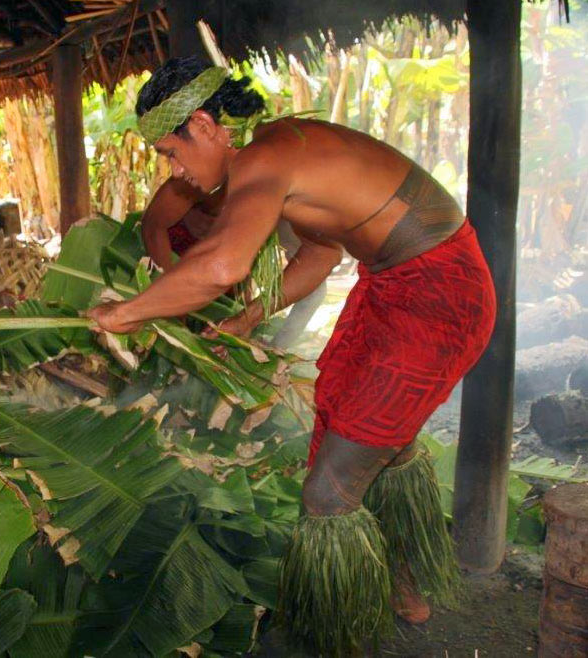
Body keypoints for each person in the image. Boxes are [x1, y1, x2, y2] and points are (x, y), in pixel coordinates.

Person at [88, 57, 495, 654]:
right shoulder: (281, 150)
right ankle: (407, 589)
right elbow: (322, 255)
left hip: (438, 293)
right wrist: (251, 316)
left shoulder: (265, 157)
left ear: (203, 125)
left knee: (327, 493)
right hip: (393, 284)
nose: (174, 172)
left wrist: (123, 314)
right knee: (365, 429)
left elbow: (223, 266)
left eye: (172, 154)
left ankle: (335, 637)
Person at [141, 177, 327, 349]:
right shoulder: (204, 174)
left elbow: (316, 280)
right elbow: (153, 225)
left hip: (217, 296)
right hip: (167, 268)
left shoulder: (288, 212)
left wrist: (265, 336)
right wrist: (169, 299)